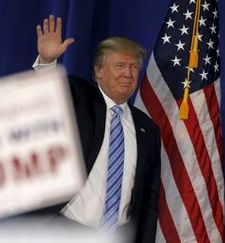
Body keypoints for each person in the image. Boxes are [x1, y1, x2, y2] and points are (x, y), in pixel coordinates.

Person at [32, 15, 161, 243]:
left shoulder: (147, 128)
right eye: (120, 66)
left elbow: (148, 201)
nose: (128, 74)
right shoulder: (79, 98)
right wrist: (47, 62)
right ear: (99, 71)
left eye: (134, 67)